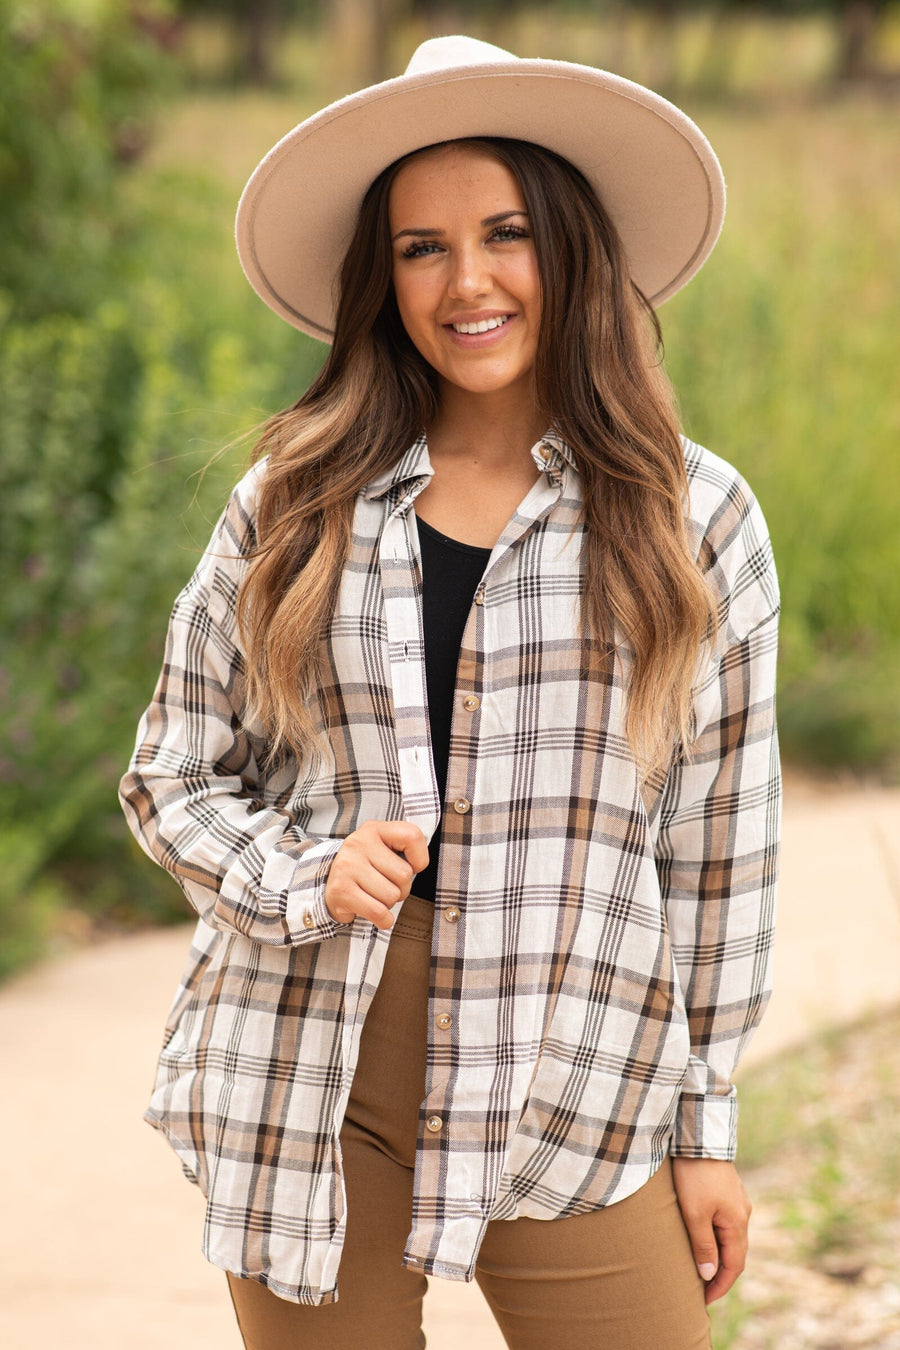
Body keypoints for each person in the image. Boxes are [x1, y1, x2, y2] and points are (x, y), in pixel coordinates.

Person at [119, 34, 780, 1350]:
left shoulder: (695, 516)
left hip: (574, 1067)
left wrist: (704, 1127)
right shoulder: (293, 505)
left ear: (574, 251)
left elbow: (719, 850)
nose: (466, 280)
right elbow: (172, 773)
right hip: (313, 1064)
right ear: (383, 278)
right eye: (421, 247)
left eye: (507, 234)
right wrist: (305, 874)